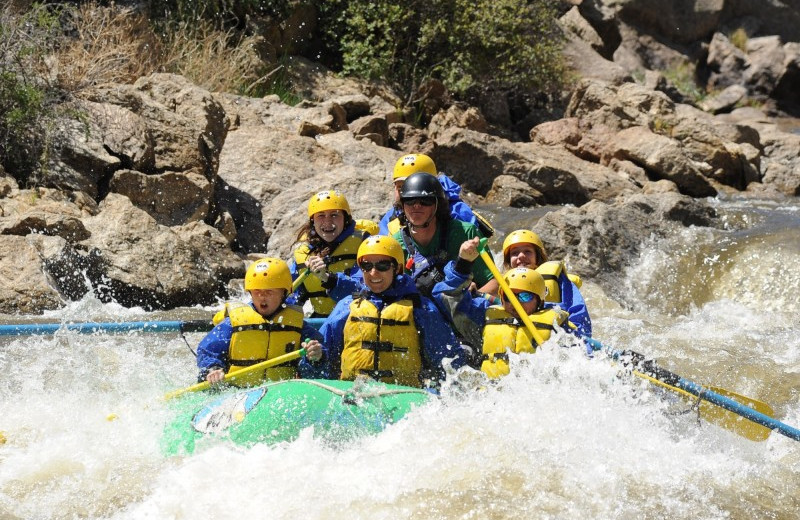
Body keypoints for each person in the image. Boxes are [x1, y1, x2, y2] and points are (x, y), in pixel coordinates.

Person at [319, 235, 467, 388]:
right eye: (367, 266)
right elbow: (323, 356)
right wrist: (316, 358)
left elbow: (448, 359)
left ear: (397, 268)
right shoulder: (347, 306)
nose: (373, 273)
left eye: (382, 265)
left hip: (403, 396)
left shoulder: (420, 308)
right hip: (352, 393)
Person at [432, 241, 573, 379]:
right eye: (509, 297)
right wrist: (463, 265)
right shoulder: (485, 316)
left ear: (540, 300)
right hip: (493, 391)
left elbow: (579, 359)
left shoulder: (556, 324)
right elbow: (448, 297)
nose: (516, 302)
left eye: (525, 296)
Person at [197, 257, 325, 386]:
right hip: (237, 390)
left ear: (284, 293)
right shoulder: (233, 323)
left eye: (269, 292)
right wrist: (213, 369)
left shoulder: (298, 325)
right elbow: (208, 350)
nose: (262, 297)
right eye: (257, 291)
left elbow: (322, 355)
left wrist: (316, 355)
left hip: (280, 390)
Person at [391, 171, 498, 297]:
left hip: (461, 309)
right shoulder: (395, 243)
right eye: (409, 200)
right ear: (402, 205)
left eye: (425, 201)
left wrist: (474, 296)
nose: (416, 206)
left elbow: (495, 283)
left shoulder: (465, 233)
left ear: (437, 205)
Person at [288, 190, 371, 317]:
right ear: (313, 221)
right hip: (321, 323)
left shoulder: (363, 245)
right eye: (321, 216)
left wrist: (329, 279)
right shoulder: (303, 253)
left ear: (346, 219)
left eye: (334, 215)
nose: (327, 222)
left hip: (356, 320)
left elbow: (366, 291)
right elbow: (289, 297)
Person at [501, 229, 592, 337]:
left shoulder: (558, 280)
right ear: (508, 261)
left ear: (537, 257)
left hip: (553, 338)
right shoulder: (504, 285)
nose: (521, 256)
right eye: (514, 253)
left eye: (527, 251)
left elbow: (579, 317)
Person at [378, 153, 494, 238]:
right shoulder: (392, 216)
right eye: (399, 187)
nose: (407, 194)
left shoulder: (458, 214)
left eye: (412, 187)